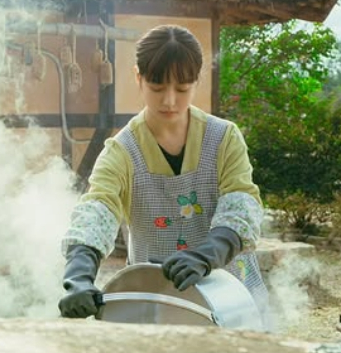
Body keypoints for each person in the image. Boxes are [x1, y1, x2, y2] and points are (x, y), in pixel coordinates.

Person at [58, 24, 268, 324]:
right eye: (157, 87)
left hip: (233, 299)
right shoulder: (122, 151)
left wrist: (206, 255)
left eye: (182, 89)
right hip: (157, 299)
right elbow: (97, 210)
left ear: (197, 81)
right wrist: (78, 276)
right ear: (138, 78)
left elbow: (241, 204)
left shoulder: (224, 138)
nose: (169, 100)